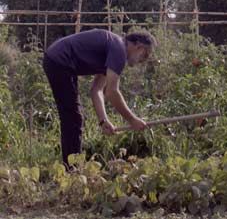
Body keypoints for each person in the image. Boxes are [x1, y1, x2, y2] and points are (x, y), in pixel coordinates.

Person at [43, 28, 156, 166]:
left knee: (73, 117)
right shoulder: (119, 50)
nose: (142, 61)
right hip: (59, 60)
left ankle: (72, 167)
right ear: (139, 46)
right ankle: (72, 170)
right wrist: (132, 120)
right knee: (73, 118)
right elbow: (112, 92)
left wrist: (103, 120)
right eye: (144, 55)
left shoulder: (114, 48)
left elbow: (97, 90)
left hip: (59, 60)